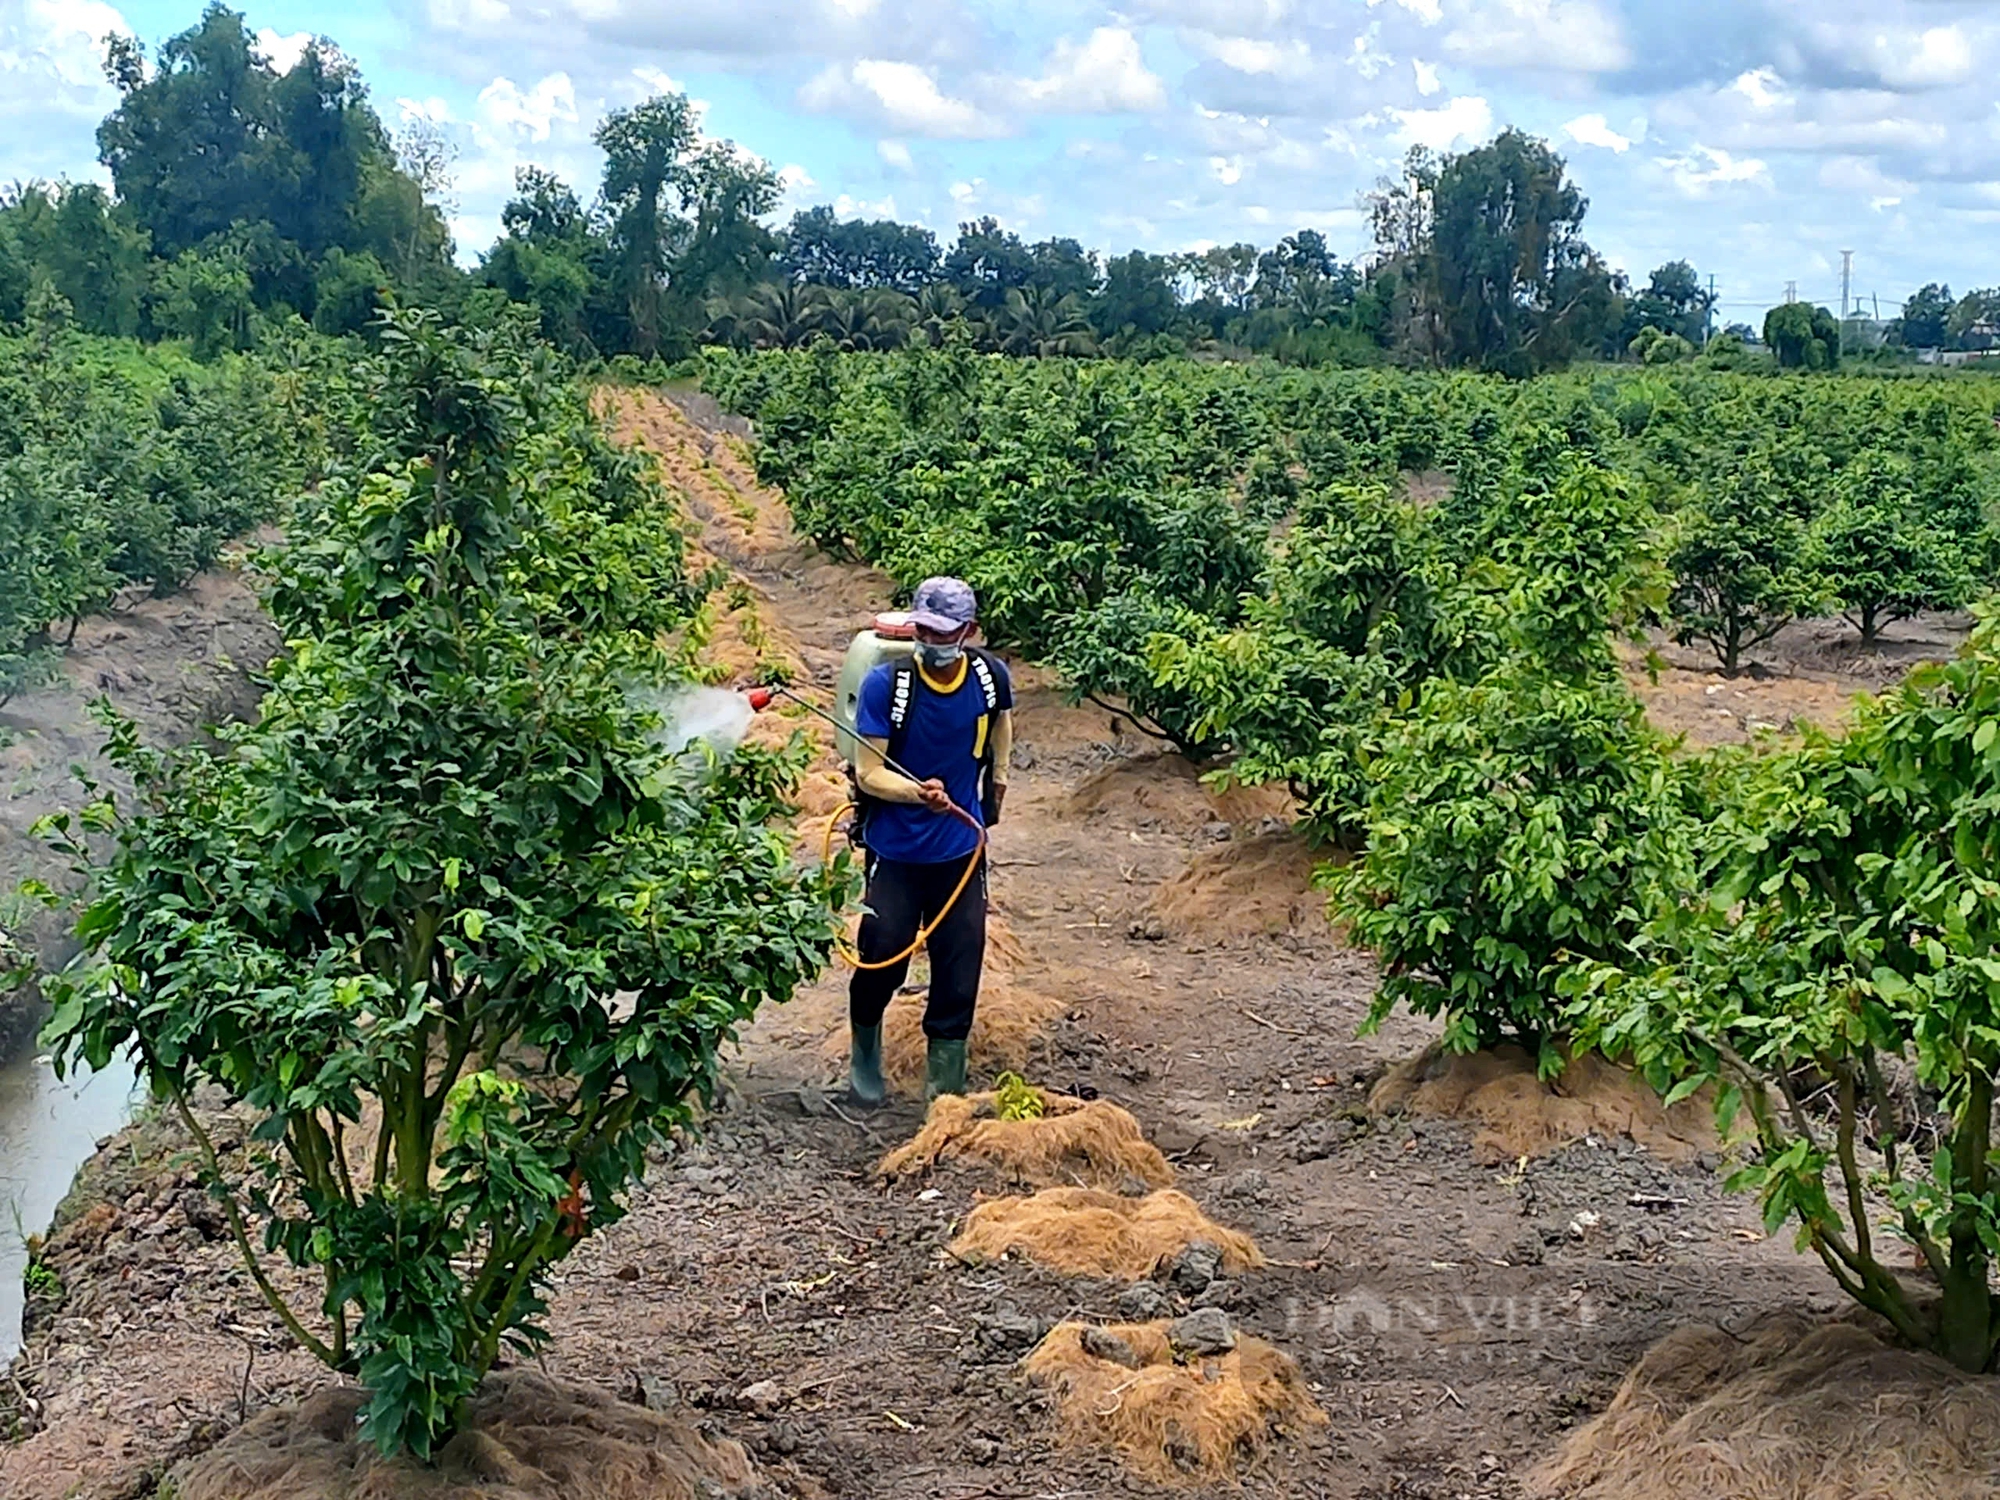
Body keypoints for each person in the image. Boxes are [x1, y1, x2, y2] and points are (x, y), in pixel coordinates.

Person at [847, 576, 1012, 1104]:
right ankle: (865, 1053)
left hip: (959, 852)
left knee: (961, 959)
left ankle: (945, 1086)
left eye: (944, 632)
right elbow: (868, 771)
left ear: (969, 631)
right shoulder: (886, 686)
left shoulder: (989, 678)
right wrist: (918, 793)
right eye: (924, 629)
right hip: (896, 850)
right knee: (883, 953)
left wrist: (998, 785)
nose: (933, 641)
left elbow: (1000, 725)